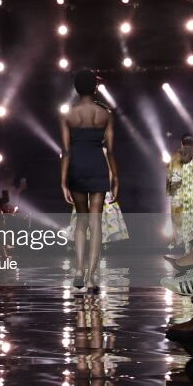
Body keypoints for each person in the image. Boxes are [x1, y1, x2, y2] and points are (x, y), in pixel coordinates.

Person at [60, 70, 118, 290]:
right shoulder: (105, 114)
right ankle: (91, 277)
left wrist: (63, 181)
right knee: (95, 222)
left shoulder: (68, 115)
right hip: (97, 165)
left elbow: (66, 151)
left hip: (76, 165)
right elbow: (110, 151)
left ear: (76, 88)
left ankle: (79, 270)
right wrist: (116, 178)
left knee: (81, 220)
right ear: (95, 88)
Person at [166, 134, 193, 253]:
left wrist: (173, 200)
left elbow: (171, 180)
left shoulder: (176, 158)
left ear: (182, 144)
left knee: (186, 227)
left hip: (182, 199)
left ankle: (189, 253)